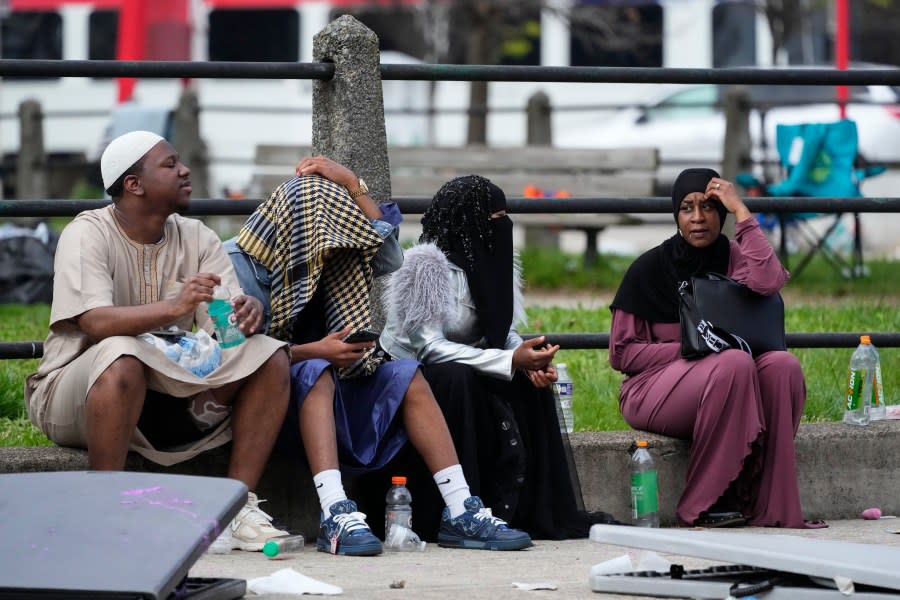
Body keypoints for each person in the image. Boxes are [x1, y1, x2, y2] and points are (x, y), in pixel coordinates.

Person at [226, 156, 533, 555]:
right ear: (297, 222)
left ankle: (460, 508)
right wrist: (314, 351)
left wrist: (355, 185)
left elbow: (389, 257)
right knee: (317, 370)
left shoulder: (333, 255)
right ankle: (335, 512)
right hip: (277, 395)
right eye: (327, 224)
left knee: (406, 374)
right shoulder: (235, 261)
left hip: (340, 382)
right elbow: (231, 353)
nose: (336, 236)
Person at [24, 130, 293, 551]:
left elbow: (224, 332)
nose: (184, 170)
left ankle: (235, 508)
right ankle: (101, 510)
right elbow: (94, 322)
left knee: (269, 356)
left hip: (166, 392)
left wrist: (244, 318)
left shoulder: (198, 238)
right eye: (169, 165)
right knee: (121, 353)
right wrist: (172, 307)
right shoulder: (87, 233)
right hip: (75, 392)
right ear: (134, 184)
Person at [379, 174, 619, 540]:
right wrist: (509, 362)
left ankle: (526, 510)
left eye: (505, 217)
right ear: (468, 223)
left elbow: (499, 329)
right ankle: (458, 511)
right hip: (413, 379)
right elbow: (429, 348)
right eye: (493, 219)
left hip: (466, 365)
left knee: (527, 383)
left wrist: (529, 358)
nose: (502, 227)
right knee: (458, 377)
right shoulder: (426, 268)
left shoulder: (493, 264)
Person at [608, 167, 825, 529]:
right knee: (733, 363)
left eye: (709, 207)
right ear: (675, 215)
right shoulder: (649, 269)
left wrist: (743, 212)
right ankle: (703, 503)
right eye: (687, 208)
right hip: (652, 388)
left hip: (729, 381)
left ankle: (768, 505)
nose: (698, 218)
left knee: (782, 366)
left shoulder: (736, 258)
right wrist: (695, 349)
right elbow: (623, 355)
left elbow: (769, 281)